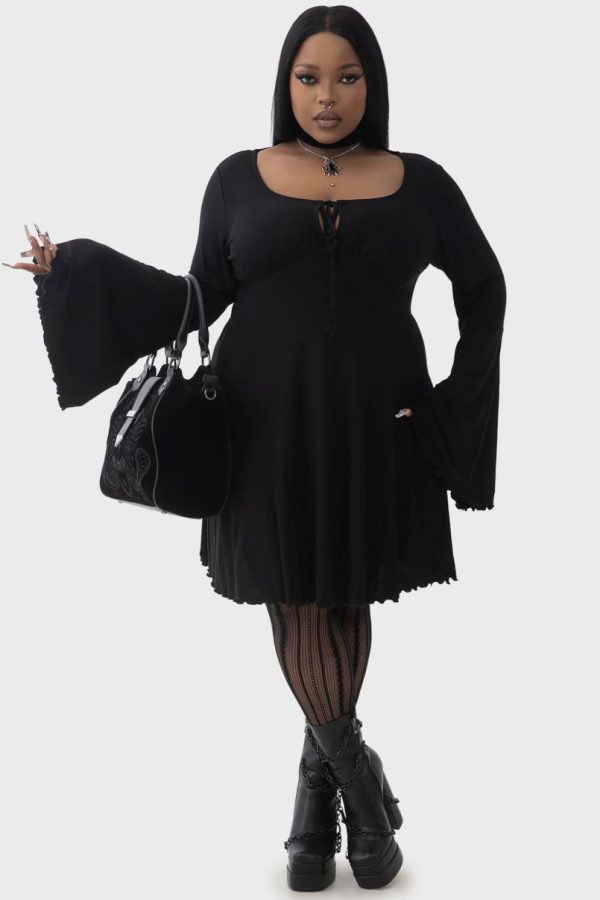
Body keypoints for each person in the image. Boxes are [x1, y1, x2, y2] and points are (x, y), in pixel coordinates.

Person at [4, 6, 506, 892]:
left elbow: (486, 287)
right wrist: (76, 272)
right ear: (286, 83)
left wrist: (445, 406)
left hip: (374, 425)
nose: (326, 96)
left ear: (372, 83)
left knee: (343, 595)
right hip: (263, 423)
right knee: (296, 599)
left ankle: (319, 798)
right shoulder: (238, 177)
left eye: (346, 77)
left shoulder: (420, 181)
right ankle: (362, 797)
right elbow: (198, 294)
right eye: (308, 78)